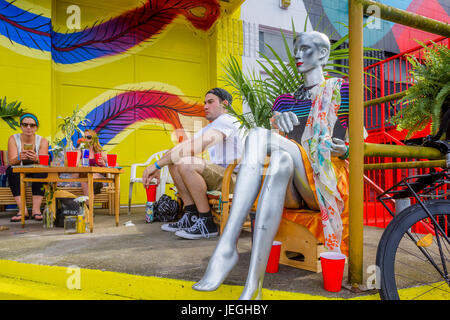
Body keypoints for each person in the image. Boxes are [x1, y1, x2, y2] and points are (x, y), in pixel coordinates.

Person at [192, 31, 352, 299]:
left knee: (257, 136)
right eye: (296, 49)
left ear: (323, 54)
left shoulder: (341, 90)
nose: (298, 55)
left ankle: (226, 247)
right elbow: (270, 148)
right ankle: (254, 283)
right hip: (292, 182)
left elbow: (359, 141)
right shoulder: (283, 102)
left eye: (306, 49)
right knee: (279, 161)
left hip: (326, 181)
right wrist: (276, 124)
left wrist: (344, 148)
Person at [142, 88, 244, 239]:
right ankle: (191, 216)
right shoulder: (212, 125)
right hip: (221, 176)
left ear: (225, 104)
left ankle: (206, 222)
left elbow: (195, 148)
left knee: (186, 163)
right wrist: (161, 163)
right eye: (205, 103)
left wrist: (157, 165)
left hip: (235, 178)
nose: (205, 106)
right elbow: (179, 148)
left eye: (210, 102)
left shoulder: (228, 120)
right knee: (175, 161)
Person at [6, 113, 49, 221]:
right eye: (25, 125)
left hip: (35, 168)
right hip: (19, 167)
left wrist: (36, 158)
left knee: (41, 171)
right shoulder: (13, 139)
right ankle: (22, 210)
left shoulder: (43, 141)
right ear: (21, 126)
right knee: (11, 171)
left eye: (32, 125)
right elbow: (11, 161)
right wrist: (19, 157)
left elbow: (43, 162)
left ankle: (36, 210)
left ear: (36, 127)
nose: (28, 128)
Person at [76, 129, 107, 196]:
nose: (86, 139)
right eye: (84, 137)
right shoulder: (80, 151)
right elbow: (75, 164)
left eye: (89, 137)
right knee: (84, 178)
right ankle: (95, 188)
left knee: (90, 177)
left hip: (97, 174)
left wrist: (104, 164)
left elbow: (115, 164)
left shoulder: (99, 152)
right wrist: (79, 148)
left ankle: (88, 205)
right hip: (84, 175)